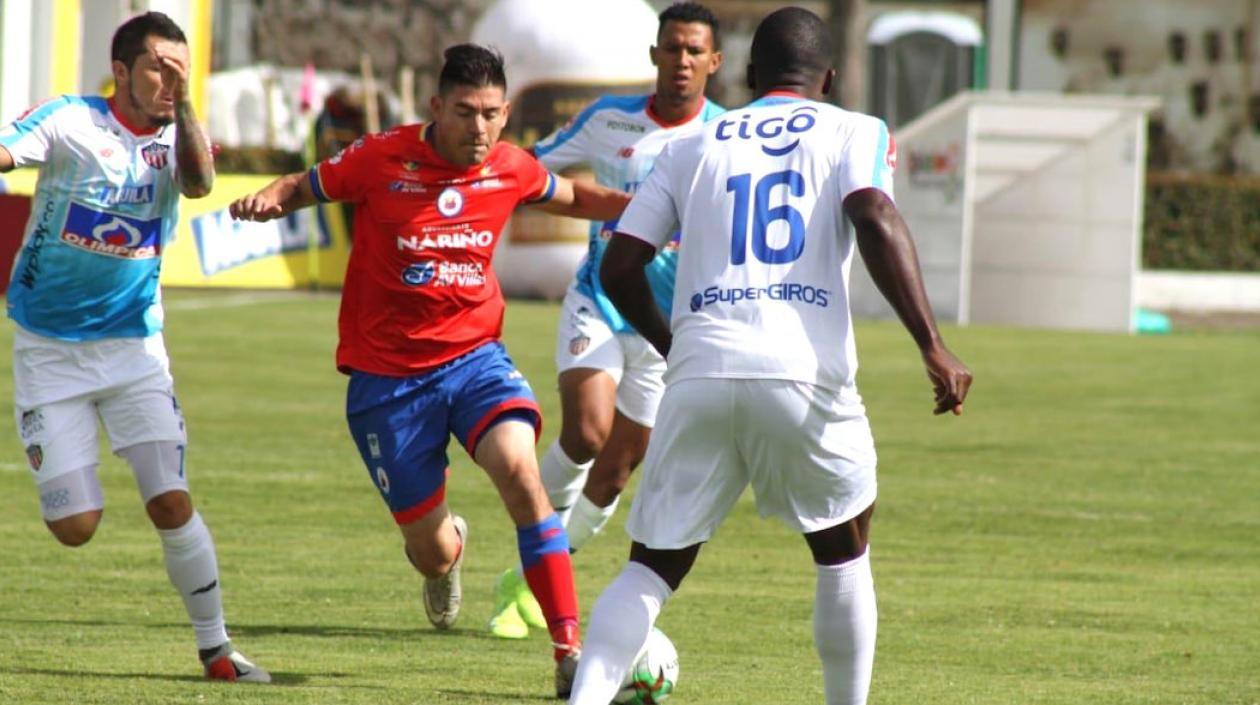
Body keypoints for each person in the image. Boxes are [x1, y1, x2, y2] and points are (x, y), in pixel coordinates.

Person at [569, 7, 973, 705]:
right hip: (802, 372)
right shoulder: (855, 128)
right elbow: (874, 214)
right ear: (831, 76)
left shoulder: (694, 143)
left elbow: (621, 264)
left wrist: (675, 344)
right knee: (842, 550)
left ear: (750, 75)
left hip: (699, 373)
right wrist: (931, 344)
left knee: (651, 568)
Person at [228, 44, 630, 698]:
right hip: (387, 382)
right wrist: (271, 196)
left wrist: (645, 210)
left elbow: (572, 195)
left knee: (524, 477)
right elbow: (308, 184)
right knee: (432, 550)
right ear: (436, 106)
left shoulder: (510, 167)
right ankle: (449, 555)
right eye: (466, 112)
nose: (480, 128)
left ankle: (568, 649)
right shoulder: (380, 157)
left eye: (492, 114)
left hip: (475, 361)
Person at [0, 12, 269, 683]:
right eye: (158, 67)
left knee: (170, 499)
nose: (169, 81)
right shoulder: (72, 121)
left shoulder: (181, 139)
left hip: (133, 348)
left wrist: (189, 103)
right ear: (119, 71)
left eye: (180, 69)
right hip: (49, 347)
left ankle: (218, 651)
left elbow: (202, 183)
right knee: (76, 525)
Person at [487, 0, 725, 641]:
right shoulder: (610, 119)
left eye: (693, 51)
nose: (681, 61)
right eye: (671, 48)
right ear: (654, 54)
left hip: (670, 326)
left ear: (714, 62)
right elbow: (531, 169)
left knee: (618, 467)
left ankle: (531, 579)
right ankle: (536, 552)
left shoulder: (728, 135)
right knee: (588, 432)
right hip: (601, 296)